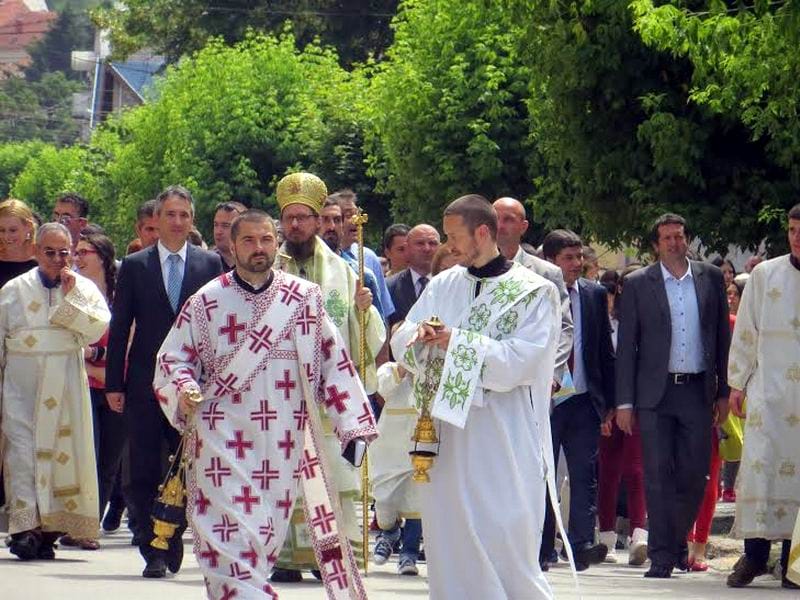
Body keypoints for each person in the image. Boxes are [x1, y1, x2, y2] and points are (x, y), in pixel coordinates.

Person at [154, 209, 377, 600]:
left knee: (262, 537)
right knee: (224, 540)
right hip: (222, 441)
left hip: (282, 443)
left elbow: (334, 362)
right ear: (232, 246)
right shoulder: (207, 301)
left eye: (266, 240)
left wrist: (354, 426)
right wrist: (185, 387)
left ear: (276, 243)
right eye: (248, 241)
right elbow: (172, 360)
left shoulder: (304, 299)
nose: (259, 249)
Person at [391, 194, 561, 599]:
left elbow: (522, 362)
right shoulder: (445, 283)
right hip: (446, 434)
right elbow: (403, 337)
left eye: (454, 237)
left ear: (483, 232)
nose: (449, 247)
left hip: (501, 432)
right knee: (450, 533)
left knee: (503, 528)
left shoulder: (534, 292)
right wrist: (420, 338)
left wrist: (456, 342)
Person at [106, 185, 223, 578]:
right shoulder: (136, 266)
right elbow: (120, 327)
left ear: (193, 220)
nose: (176, 222)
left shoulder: (210, 265)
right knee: (142, 466)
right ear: (156, 220)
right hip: (142, 383)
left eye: (184, 215)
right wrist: (113, 384)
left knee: (184, 464)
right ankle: (149, 544)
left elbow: (221, 327)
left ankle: (172, 534)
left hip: (192, 386)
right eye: (170, 215)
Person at [273, 173, 385, 582]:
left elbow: (365, 340)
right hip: (281, 392)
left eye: (305, 217)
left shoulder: (344, 271)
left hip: (325, 395)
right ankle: (286, 558)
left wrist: (363, 310)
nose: (296, 226)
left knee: (334, 477)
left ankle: (333, 557)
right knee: (284, 476)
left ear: (320, 221)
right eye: (290, 219)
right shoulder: (268, 267)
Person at [616, 213, 731, 579]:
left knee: (696, 476)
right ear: (656, 245)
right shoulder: (637, 283)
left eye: (679, 236)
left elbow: (721, 339)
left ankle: (677, 542)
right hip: (655, 394)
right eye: (666, 238)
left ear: (687, 239)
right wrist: (624, 402)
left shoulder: (710, 278)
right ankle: (663, 556)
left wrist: (724, 391)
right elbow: (627, 348)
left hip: (698, 391)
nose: (674, 243)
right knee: (657, 476)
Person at [0, 223, 110, 560]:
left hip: (65, 384)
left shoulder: (83, 287)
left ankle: (49, 530)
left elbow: (98, 327)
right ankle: (23, 529)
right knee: (22, 452)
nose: (58, 259)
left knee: (63, 454)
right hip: (21, 384)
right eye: (50, 252)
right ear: (36, 251)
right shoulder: (13, 289)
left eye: (65, 252)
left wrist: (71, 296)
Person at [725, 204, 800, 590]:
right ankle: (754, 556)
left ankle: (793, 563)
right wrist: (737, 383)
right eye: (791, 229)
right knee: (760, 473)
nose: (796, 236)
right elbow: (746, 332)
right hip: (769, 394)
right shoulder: (764, 275)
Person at [539, 230, 615, 571]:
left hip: (584, 399)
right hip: (548, 400)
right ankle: (543, 546)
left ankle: (582, 543)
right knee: (543, 474)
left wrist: (610, 402)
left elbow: (603, 350)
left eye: (579, 257)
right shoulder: (540, 291)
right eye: (568, 258)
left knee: (586, 473)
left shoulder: (594, 294)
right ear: (552, 260)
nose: (576, 264)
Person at [73, 233, 125, 550]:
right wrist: (91, 363)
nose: (76, 257)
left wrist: (94, 358)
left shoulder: (122, 295)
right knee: (85, 457)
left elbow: (129, 344)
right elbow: (70, 345)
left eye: (83, 251)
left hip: (119, 387)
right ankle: (80, 524)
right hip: (83, 386)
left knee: (108, 461)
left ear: (102, 256)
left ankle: (91, 525)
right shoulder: (74, 294)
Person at [596, 266, 649, 565]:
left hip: (639, 404)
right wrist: (605, 408)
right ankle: (605, 536)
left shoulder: (649, 322)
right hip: (609, 405)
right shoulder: (605, 322)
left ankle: (639, 535)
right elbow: (600, 366)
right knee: (608, 470)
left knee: (636, 469)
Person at [492, 197, 573, 385]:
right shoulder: (473, 270)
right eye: (495, 218)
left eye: (508, 219)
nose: (500, 225)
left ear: (524, 226)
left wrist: (553, 376)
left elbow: (563, 327)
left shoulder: (546, 273)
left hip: (534, 380)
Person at [332, 189, 396, 323]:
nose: (357, 220)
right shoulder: (322, 257)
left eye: (357, 214)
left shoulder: (369, 257)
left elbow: (383, 311)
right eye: (349, 215)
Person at [320, 198, 385, 320]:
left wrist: (364, 312)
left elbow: (381, 333)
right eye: (325, 220)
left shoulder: (362, 276)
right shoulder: (298, 270)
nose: (332, 227)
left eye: (337, 220)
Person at [386, 224, 440, 327]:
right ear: (407, 247)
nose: (427, 248)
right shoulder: (389, 287)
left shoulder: (452, 285)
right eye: (420, 243)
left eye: (432, 243)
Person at [0, 199, 38, 288]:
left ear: (28, 226)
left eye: (13, 230)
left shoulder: (43, 260)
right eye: (2, 230)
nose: (7, 236)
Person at [211, 201, 247, 270]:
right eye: (216, 225)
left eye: (226, 226)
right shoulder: (204, 263)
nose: (218, 231)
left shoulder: (253, 263)